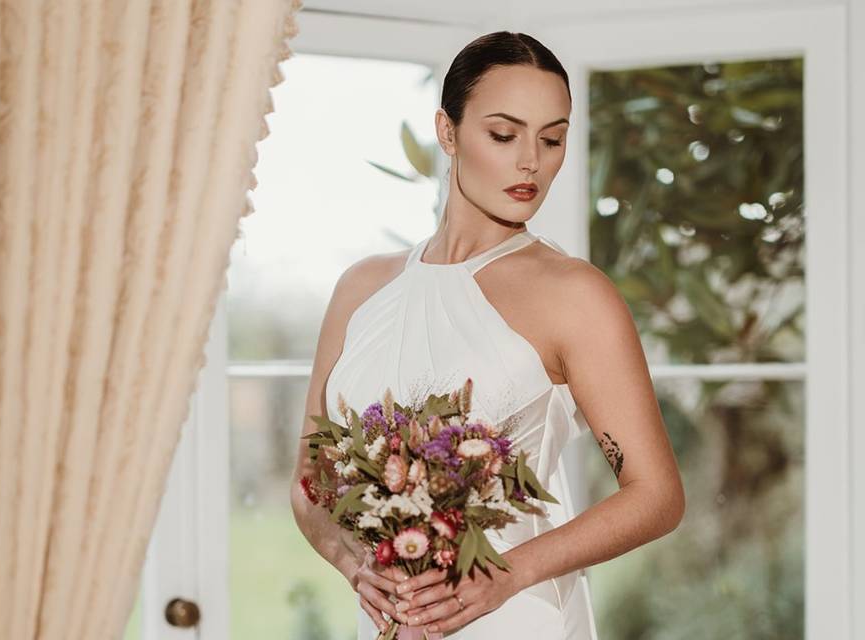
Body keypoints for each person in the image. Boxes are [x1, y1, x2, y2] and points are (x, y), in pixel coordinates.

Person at [290, 30, 685, 639]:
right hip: (392, 622)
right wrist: (354, 564)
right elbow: (311, 483)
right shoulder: (361, 289)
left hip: (517, 617)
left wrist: (506, 571)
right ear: (447, 132)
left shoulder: (574, 295)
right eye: (504, 135)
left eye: (552, 139)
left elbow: (655, 494)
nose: (532, 161)